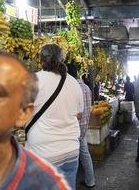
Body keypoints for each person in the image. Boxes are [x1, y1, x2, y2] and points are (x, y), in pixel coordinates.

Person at [0, 50, 69, 189]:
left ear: (23, 113)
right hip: (69, 146)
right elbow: (80, 113)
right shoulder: (72, 83)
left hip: (44, 148)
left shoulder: (47, 185)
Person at [25, 44, 84, 189]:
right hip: (71, 150)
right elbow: (79, 115)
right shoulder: (73, 83)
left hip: (44, 153)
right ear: (62, 59)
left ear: (41, 60)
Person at [68, 67, 96, 189]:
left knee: (70, 159)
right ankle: (90, 181)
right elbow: (88, 108)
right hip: (83, 128)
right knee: (85, 155)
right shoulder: (86, 88)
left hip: (72, 129)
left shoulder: (70, 88)